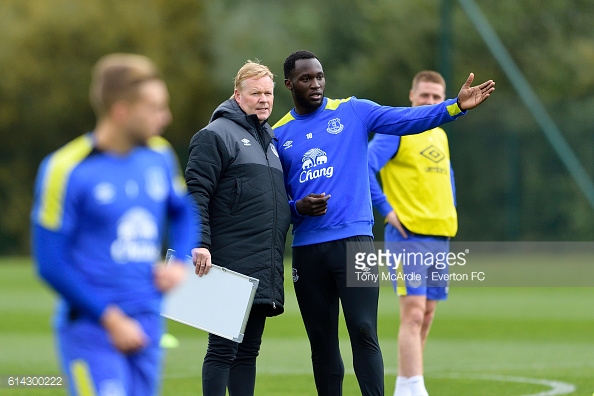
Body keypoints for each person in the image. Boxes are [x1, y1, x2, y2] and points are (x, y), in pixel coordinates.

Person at [272, 50, 494, 396]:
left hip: (356, 245)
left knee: (363, 330)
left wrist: (455, 107)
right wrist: (298, 207)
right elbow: (274, 204)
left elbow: (406, 120)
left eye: (319, 76)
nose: (315, 84)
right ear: (289, 84)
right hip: (307, 250)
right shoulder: (278, 134)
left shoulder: (352, 110)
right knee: (322, 343)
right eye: (305, 79)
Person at [31, 53, 198, 395]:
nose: (165, 118)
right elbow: (49, 263)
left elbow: (184, 212)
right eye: (154, 108)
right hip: (93, 330)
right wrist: (110, 319)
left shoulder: (160, 156)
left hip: (148, 319)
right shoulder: (65, 169)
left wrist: (179, 262)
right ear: (121, 111)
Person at [185, 60, 291, 396]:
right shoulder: (214, 135)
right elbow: (195, 192)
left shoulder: (270, 140)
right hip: (227, 259)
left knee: (248, 352)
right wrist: (200, 242)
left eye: (269, 93)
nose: (264, 99)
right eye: (256, 93)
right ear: (237, 94)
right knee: (222, 349)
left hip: (263, 261)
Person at [368, 70, 456, 396]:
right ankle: (415, 389)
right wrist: (386, 210)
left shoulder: (440, 135)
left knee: (428, 313)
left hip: (439, 233)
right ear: (411, 95)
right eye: (425, 96)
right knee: (414, 312)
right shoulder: (397, 130)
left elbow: (447, 179)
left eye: (436, 97)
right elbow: (365, 165)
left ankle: (407, 384)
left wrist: (452, 214)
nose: (430, 102)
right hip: (409, 235)